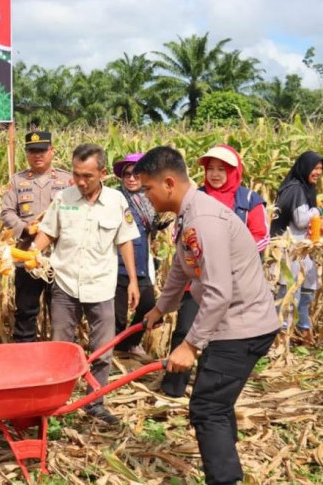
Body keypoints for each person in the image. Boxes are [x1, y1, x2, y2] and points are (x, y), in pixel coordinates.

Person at [137, 146, 279, 485]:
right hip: (233, 323)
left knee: (207, 408)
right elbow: (181, 268)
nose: (146, 196)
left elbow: (217, 292)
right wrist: (161, 307)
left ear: (168, 183)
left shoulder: (202, 219)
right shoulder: (190, 213)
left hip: (241, 326)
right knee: (216, 404)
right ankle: (227, 468)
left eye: (147, 189)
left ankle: (224, 479)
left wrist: (190, 345)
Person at [34, 143, 140, 424]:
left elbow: (125, 240)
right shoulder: (63, 197)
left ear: (103, 173)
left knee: (102, 349)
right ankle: (56, 402)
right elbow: (47, 231)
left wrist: (132, 281)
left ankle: (95, 401)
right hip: (65, 284)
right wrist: (32, 253)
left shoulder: (117, 201)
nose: (80, 181)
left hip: (102, 285)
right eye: (76, 174)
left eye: (87, 176)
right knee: (60, 346)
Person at [161, 144, 270, 398]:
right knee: (185, 329)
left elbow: (261, 236)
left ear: (234, 172)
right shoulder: (194, 199)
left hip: (232, 286)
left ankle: (205, 390)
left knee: (219, 340)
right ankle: (173, 387)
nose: (215, 174)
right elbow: (181, 243)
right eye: (211, 169)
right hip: (196, 282)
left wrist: (226, 259)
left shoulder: (248, 200)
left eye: (222, 169)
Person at [0, 131, 72, 342]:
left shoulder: (67, 180)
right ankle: (24, 349)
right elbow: (6, 212)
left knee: (60, 308)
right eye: (32, 151)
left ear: (52, 151)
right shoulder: (17, 181)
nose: (37, 155)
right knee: (26, 308)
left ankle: (61, 348)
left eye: (41, 150)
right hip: (27, 255)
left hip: (59, 255)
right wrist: (24, 228)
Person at [112, 153, 171, 354]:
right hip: (117, 266)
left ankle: (130, 342)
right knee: (117, 315)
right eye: (127, 174)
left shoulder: (151, 201)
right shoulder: (114, 198)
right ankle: (116, 354)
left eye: (136, 174)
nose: (131, 178)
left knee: (149, 306)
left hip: (142, 265)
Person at [271, 150, 322, 338]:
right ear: (305, 167)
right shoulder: (295, 189)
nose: (317, 172)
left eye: (320, 169)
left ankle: (303, 329)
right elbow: (300, 221)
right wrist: (318, 211)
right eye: (315, 168)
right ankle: (283, 333)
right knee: (290, 291)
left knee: (307, 288)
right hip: (289, 250)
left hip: (303, 249)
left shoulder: (306, 188)